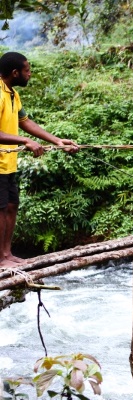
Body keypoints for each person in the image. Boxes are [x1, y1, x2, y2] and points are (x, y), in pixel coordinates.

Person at [0, 52, 79, 267]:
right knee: (0, 208)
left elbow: (25, 121)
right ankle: (1, 259)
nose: (30, 74)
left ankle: (7, 255)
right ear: (15, 73)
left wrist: (57, 141)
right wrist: (25, 141)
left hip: (8, 163)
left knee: (11, 206)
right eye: (27, 71)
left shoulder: (12, 94)